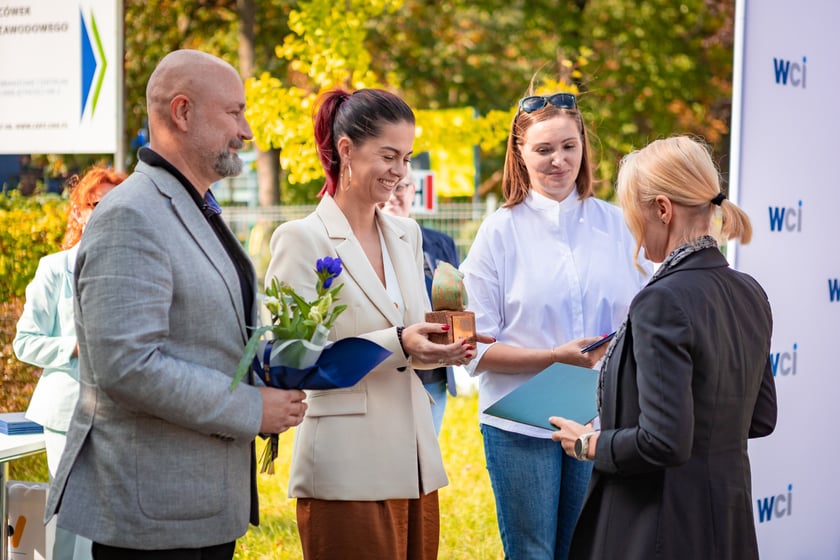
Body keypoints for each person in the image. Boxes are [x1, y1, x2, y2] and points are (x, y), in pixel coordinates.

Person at [43, 49, 308, 560]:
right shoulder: (131, 215)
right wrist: (251, 407)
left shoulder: (191, 203)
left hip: (195, 507)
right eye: (234, 112)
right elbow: (127, 366)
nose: (246, 130)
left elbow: (205, 333)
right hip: (153, 521)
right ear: (182, 113)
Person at [264, 87, 486, 560]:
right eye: (388, 156)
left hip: (417, 464)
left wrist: (444, 342)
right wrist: (402, 342)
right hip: (347, 466)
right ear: (345, 149)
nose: (400, 172)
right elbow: (288, 362)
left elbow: (409, 331)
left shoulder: (407, 234)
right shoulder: (301, 239)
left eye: (406, 157)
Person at [550, 135, 777, 560]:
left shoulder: (661, 300)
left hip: (659, 529)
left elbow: (665, 441)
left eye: (631, 213)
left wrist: (590, 444)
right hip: (728, 525)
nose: (631, 227)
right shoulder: (750, 292)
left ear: (661, 209)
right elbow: (760, 417)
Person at [459, 91, 651, 560]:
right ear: (520, 155)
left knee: (589, 548)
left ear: (584, 145)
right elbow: (473, 348)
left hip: (601, 418)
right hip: (520, 424)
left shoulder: (620, 225)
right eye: (544, 150)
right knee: (532, 552)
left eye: (569, 146)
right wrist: (552, 357)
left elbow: (647, 315)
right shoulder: (498, 233)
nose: (558, 161)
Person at [14, 165, 126, 560]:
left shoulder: (133, 272)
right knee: (71, 521)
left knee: (115, 523)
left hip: (123, 414)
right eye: (98, 204)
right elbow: (24, 343)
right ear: (79, 212)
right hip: (66, 414)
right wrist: (73, 347)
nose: (109, 211)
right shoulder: (53, 268)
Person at [381, 169, 460, 435]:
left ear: (414, 190)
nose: (393, 196)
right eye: (388, 186)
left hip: (434, 375)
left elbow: (455, 301)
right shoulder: (368, 245)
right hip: (391, 371)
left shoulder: (441, 243)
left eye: (401, 187)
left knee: (426, 462)